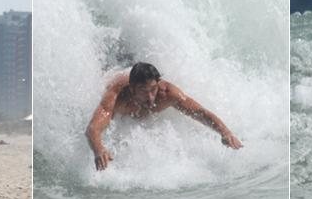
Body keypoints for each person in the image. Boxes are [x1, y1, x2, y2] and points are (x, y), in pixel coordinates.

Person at [85, 62, 243, 170]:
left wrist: (225, 132)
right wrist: (99, 149)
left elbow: (200, 112)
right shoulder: (117, 96)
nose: (150, 97)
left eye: (153, 89)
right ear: (132, 89)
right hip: (113, 72)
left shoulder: (168, 94)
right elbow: (93, 128)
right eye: (143, 91)